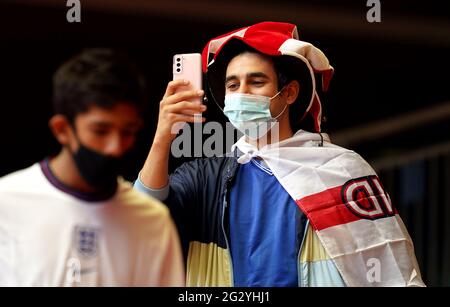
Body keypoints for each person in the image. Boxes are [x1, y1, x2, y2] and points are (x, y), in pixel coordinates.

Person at [134, 22, 424, 287]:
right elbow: (141, 223)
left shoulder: (341, 170)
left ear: (290, 92)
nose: (242, 93)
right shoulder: (205, 177)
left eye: (256, 82)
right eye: (233, 85)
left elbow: (391, 272)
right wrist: (163, 138)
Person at [0, 49, 184, 286]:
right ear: (62, 130)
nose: (115, 147)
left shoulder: (152, 221)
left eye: (128, 132)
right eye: (100, 131)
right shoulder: (6, 203)